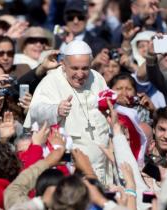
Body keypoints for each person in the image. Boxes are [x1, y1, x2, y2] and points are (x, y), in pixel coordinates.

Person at [24, 40, 110, 183]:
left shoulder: (97, 78)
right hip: (70, 163)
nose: (80, 74)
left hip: (100, 160)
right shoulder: (51, 81)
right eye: (75, 68)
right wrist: (56, 110)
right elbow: (35, 111)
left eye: (85, 68)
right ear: (63, 64)